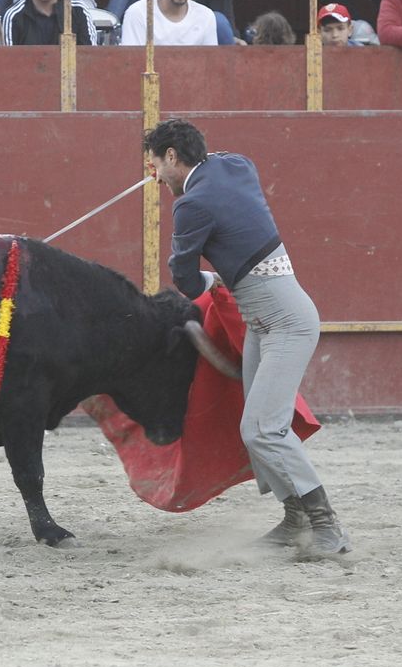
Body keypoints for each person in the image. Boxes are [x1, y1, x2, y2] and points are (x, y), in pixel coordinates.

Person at [141, 115, 350, 556]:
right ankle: (295, 520)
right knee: (253, 427)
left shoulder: (190, 205)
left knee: (263, 429)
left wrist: (211, 281)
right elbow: (216, 161)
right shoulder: (237, 165)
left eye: (156, 165)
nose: (156, 176)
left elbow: (182, 275)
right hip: (268, 321)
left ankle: (325, 524)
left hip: (285, 325)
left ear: (173, 157)